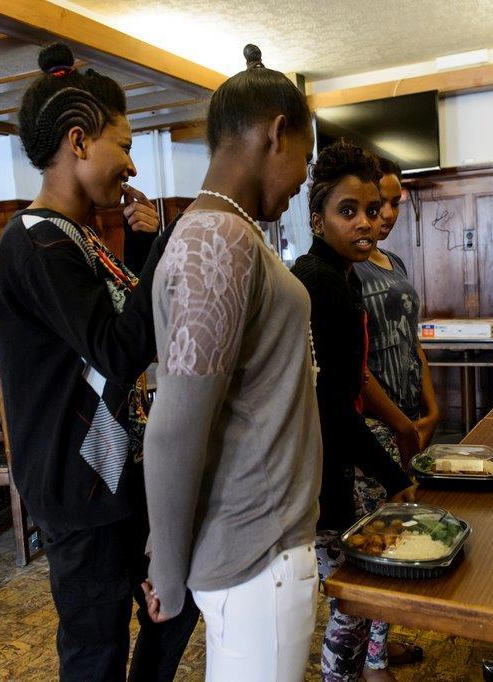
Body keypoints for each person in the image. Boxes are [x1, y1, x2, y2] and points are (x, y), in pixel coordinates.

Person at [0, 43, 199, 681]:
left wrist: (139, 248)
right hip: (79, 485)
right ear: (79, 141)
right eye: (125, 145)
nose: (132, 164)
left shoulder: (78, 237)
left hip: (117, 472)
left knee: (175, 603)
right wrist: (166, 247)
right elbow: (115, 347)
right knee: (95, 651)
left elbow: (113, 337)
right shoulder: (37, 241)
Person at [140, 45, 321, 682]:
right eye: (305, 154)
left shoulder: (229, 232)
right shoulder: (220, 237)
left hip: (257, 546)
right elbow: (175, 427)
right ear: (277, 131)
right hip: (256, 552)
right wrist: (165, 566)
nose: (304, 175)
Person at [291, 140, 416, 682]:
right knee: (353, 601)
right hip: (318, 471)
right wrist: (393, 476)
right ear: (317, 219)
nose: (365, 223)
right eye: (349, 212)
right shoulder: (322, 285)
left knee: (354, 597)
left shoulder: (336, 275)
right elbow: (334, 409)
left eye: (371, 210)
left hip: (325, 462)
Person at [352, 157, 439, 674]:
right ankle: (370, 654)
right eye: (375, 203)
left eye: (392, 204)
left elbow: (412, 342)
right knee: (377, 540)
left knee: (399, 532)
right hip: (374, 424)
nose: (386, 214)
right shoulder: (348, 269)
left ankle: (381, 645)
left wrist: (430, 409)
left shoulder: (395, 264)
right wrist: (402, 424)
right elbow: (354, 365)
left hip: (410, 417)